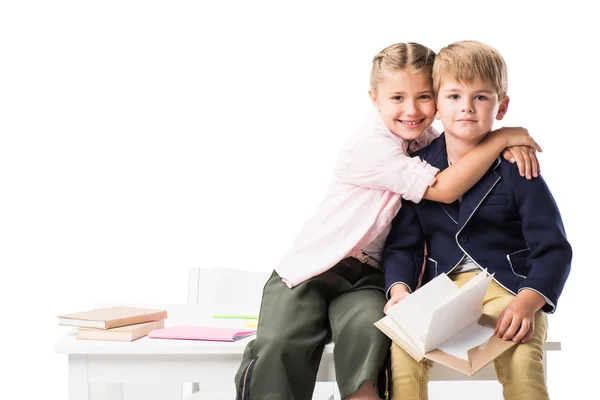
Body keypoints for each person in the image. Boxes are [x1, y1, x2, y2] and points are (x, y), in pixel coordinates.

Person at [234, 42, 541, 400]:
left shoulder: (427, 140)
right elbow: (443, 190)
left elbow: (466, 148)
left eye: (424, 96)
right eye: (397, 98)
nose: (411, 110)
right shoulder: (369, 146)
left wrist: (505, 147)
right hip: (313, 270)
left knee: (372, 334)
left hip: (368, 277)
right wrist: (504, 137)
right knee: (282, 343)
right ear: (374, 98)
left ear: (438, 102)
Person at [383, 40, 572, 400]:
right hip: (441, 291)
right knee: (402, 355)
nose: (466, 108)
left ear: (501, 107)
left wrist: (528, 300)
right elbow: (403, 246)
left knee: (522, 365)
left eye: (480, 97)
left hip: (509, 290)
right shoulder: (418, 168)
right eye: (454, 97)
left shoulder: (518, 166)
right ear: (436, 104)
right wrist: (400, 291)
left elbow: (553, 248)